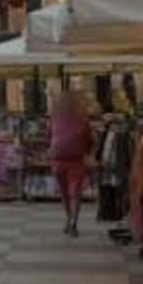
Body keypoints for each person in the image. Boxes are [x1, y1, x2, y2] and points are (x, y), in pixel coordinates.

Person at [48, 89, 93, 237]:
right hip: (76, 161)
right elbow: (89, 141)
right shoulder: (83, 120)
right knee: (75, 193)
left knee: (64, 193)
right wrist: (87, 151)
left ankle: (68, 219)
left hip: (58, 161)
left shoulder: (55, 119)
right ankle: (73, 221)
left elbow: (49, 137)